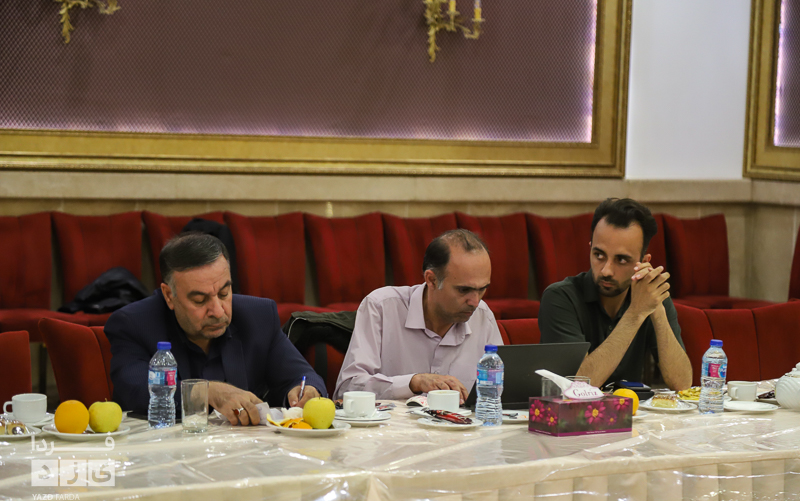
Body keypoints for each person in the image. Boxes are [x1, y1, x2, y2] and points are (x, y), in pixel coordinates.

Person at [106, 232, 326, 425]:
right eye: (200, 300)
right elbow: (134, 389)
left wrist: (307, 391)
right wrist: (206, 392)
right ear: (169, 295)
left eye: (224, 294)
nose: (218, 311)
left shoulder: (258, 317)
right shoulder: (134, 324)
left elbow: (302, 376)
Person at [539, 198, 692, 391]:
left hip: (631, 408)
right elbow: (577, 386)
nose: (606, 271)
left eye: (621, 260)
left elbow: (682, 384)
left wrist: (656, 309)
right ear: (590, 248)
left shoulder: (650, 297)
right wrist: (635, 314)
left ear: (643, 262)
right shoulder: (560, 297)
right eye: (599, 255)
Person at [335, 229, 504, 401]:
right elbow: (347, 389)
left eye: (482, 289)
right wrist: (413, 382)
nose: (475, 302)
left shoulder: (483, 316)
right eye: (464, 290)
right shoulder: (381, 307)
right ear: (431, 280)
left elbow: (503, 393)